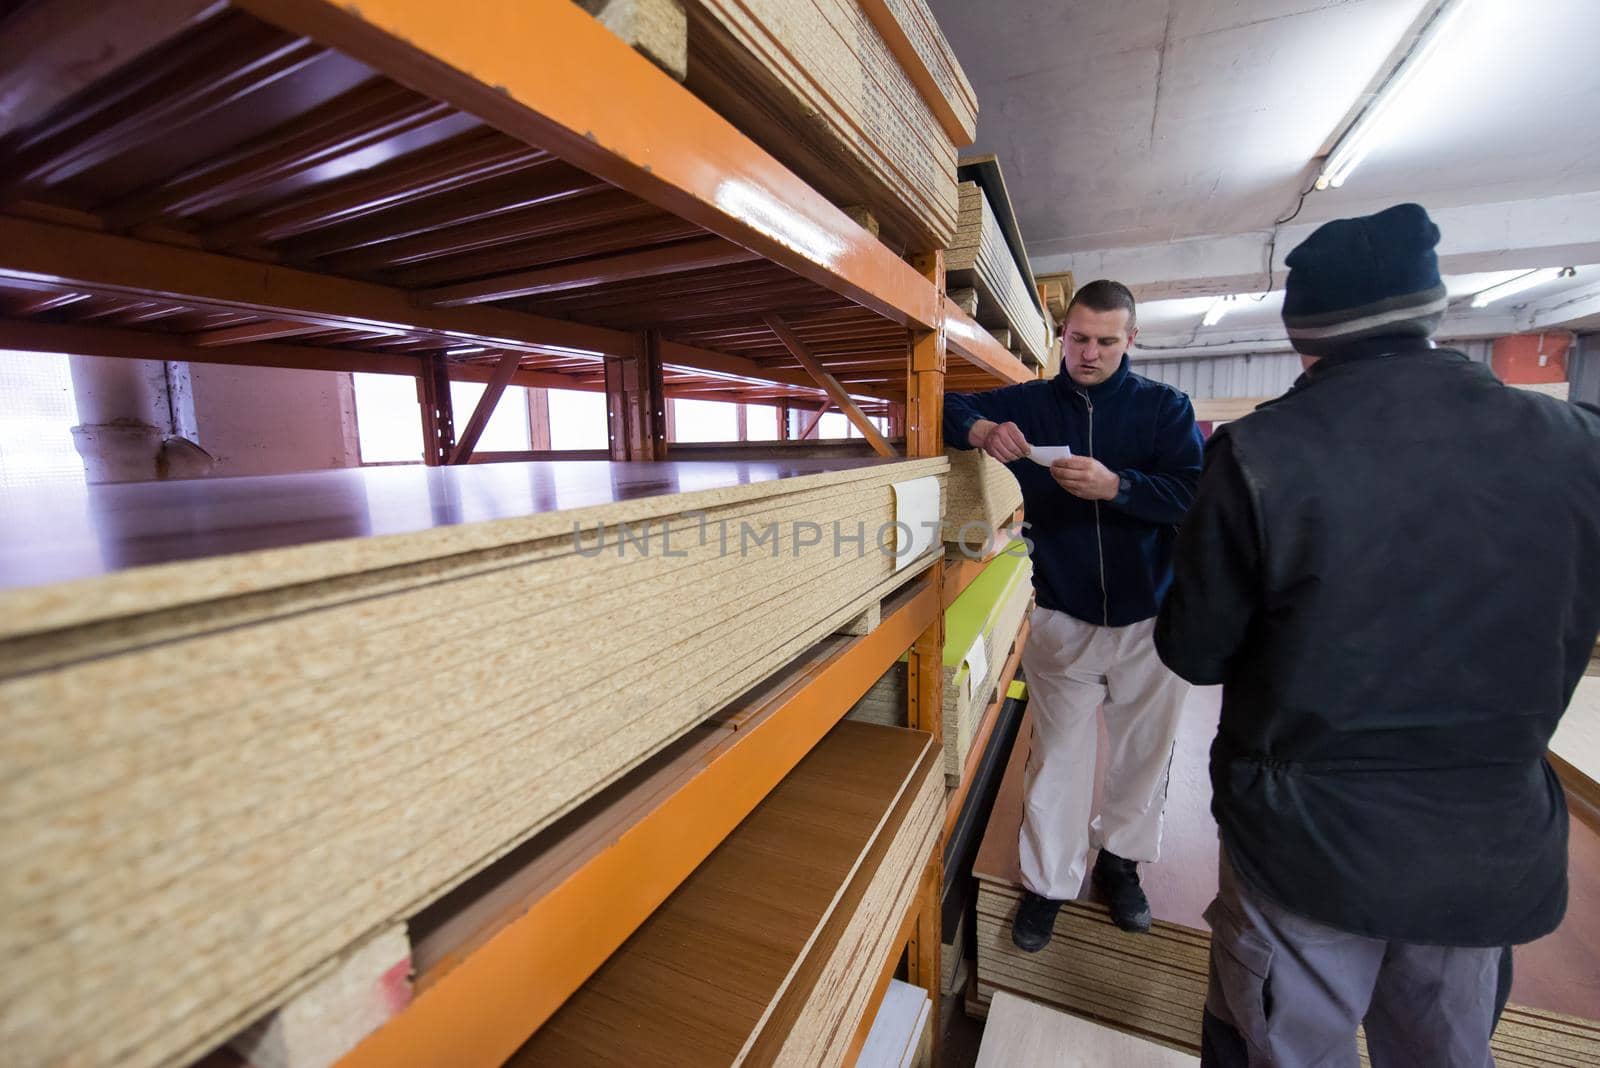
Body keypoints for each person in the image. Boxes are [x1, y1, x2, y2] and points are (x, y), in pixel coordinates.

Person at [1155, 203, 1600, 1067]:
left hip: (1306, 844)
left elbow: (1195, 648)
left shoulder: (1260, 455)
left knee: (1286, 1046)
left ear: (1302, 335)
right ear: (1433, 312)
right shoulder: (1577, 444)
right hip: (1486, 846)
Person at [945, 279, 1204, 949]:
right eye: (1078, 339)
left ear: (1132, 339)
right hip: (1062, 614)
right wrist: (978, 428)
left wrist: (1118, 487)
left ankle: (1121, 865)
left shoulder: (1163, 409)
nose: (1089, 353)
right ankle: (1048, 884)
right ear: (1064, 335)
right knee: (1056, 758)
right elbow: (946, 401)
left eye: (1106, 342)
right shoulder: (1029, 404)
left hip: (1152, 618)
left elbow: (1190, 495)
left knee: (1143, 753)